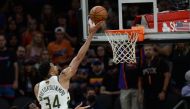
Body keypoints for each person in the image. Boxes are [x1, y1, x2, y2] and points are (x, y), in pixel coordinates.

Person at [34, 21, 104, 109]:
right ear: (50, 70)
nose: (56, 66)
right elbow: (78, 57)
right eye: (53, 65)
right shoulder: (62, 77)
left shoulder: (37, 87)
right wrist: (91, 35)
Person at [139, 44, 171, 109]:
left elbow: (167, 76)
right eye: (146, 50)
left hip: (159, 92)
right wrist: (140, 93)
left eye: (149, 50)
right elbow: (140, 79)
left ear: (153, 51)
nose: (147, 51)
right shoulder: (143, 64)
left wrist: (163, 91)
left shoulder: (160, 62)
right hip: (147, 93)